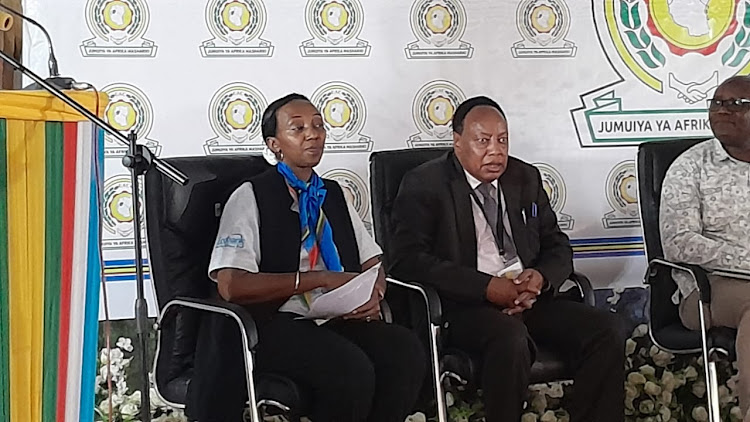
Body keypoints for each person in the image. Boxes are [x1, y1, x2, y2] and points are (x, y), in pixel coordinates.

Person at [187, 94, 425, 422]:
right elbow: (231, 285)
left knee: (404, 350)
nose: (312, 134)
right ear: (274, 144)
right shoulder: (250, 195)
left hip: (334, 316)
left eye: (318, 125)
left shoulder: (334, 193)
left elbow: (372, 261)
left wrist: (374, 294)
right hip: (274, 322)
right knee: (349, 369)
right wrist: (321, 279)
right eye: (297, 129)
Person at [388, 96, 625, 422]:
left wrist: (540, 278)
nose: (496, 151)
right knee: (509, 338)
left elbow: (557, 245)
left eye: (502, 140)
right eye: (483, 141)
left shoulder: (523, 178)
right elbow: (408, 260)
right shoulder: (425, 184)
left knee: (607, 329)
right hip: (464, 306)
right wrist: (486, 287)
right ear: (457, 142)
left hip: (528, 298)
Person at [660, 76, 750, 421]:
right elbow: (679, 243)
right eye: (717, 103)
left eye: (736, 104)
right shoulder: (690, 167)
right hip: (709, 290)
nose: (722, 111)